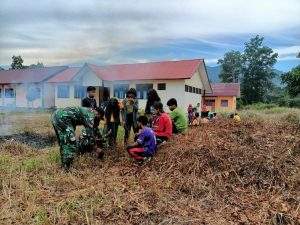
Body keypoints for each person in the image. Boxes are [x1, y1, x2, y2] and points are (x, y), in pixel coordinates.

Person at [51, 106, 102, 171]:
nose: (97, 118)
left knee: (64, 142)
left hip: (56, 115)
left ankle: (64, 164)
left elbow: (73, 119)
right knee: (70, 142)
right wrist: (96, 148)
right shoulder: (90, 114)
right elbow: (90, 133)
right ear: (98, 114)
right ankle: (68, 168)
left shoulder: (86, 110)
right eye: (98, 116)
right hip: (63, 117)